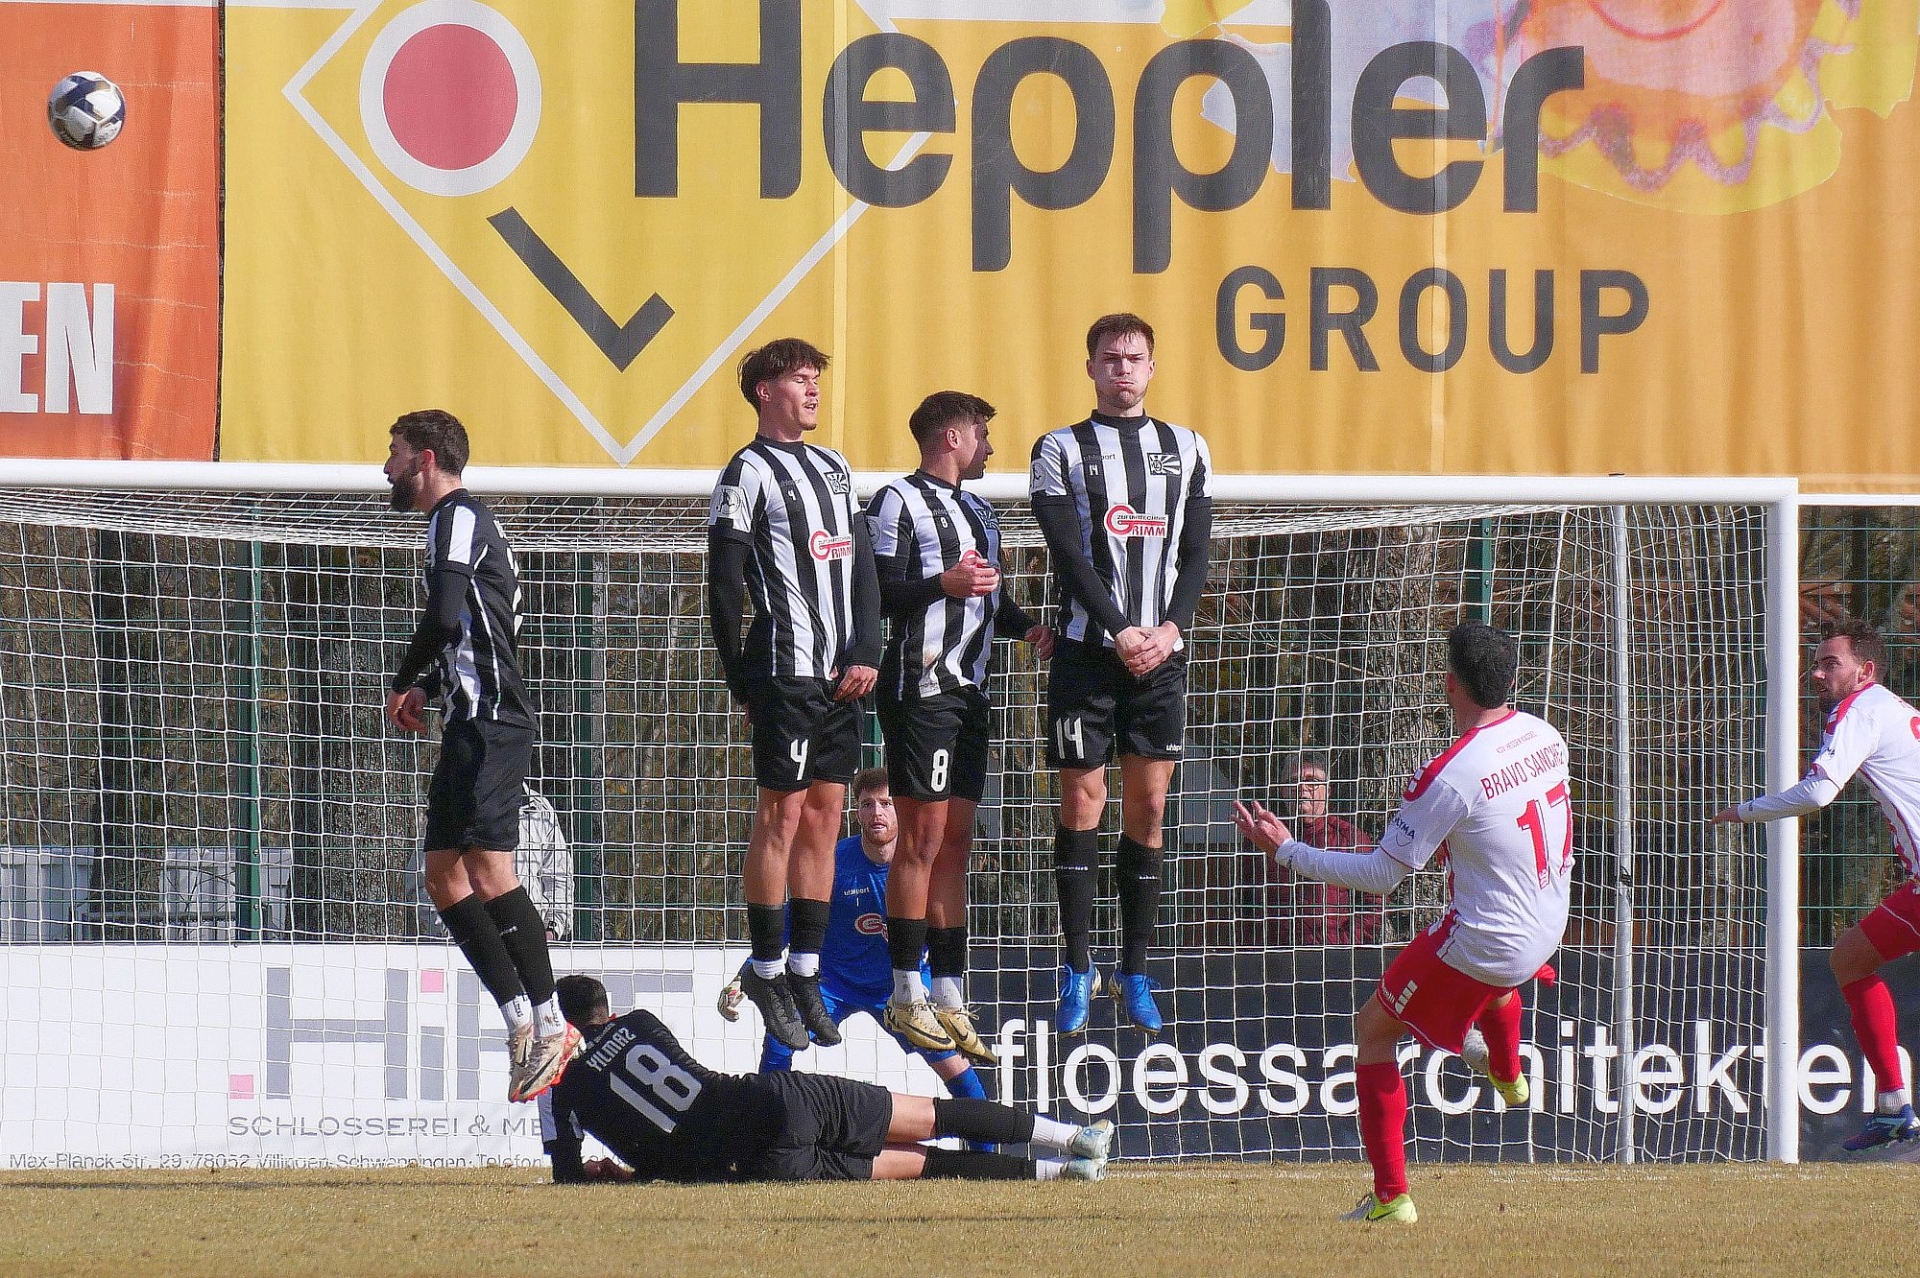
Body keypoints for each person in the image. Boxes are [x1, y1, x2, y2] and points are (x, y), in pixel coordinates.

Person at [1234, 623, 1573, 1225]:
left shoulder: (1452, 774)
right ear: (1512, 679)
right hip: (1550, 923)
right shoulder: (1545, 735)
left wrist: (1288, 851)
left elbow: (1381, 877)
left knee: (1373, 1031)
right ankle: (1506, 1070)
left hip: (1489, 942)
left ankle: (1391, 1198)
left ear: (1449, 684)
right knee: (1493, 981)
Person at [382, 409, 578, 1103]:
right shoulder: (460, 525)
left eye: (395, 452)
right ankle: (519, 1017)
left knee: (491, 869)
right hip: (470, 718)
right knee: (443, 874)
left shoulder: (458, 517)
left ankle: (552, 1021)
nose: (386, 467)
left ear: (426, 459)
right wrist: (432, 687)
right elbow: (479, 631)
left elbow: (444, 618)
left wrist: (403, 679)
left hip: (494, 722)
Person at [1029, 313, 1213, 1034]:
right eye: (1111, 358)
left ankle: (1134, 970)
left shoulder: (1187, 447)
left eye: (1135, 358)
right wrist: (1119, 628)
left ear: (1152, 367)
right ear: (1091, 368)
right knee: (1083, 804)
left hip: (1161, 657)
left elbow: (1196, 550)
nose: (1123, 369)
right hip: (1087, 654)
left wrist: (1170, 630)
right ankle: (1077, 968)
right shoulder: (1059, 449)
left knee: (1150, 809)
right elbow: (1067, 553)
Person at [865, 391, 1052, 1061]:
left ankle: (948, 991)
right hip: (921, 691)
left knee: (956, 843)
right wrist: (941, 585)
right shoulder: (895, 502)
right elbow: (876, 595)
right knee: (921, 840)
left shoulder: (980, 511)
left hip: (972, 694)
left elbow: (989, 600)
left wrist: (1028, 628)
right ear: (950, 437)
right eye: (982, 433)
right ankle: (905, 991)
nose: (990, 447)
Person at [707, 339, 882, 1054]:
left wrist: (868, 649)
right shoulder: (745, 473)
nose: (812, 390)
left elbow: (863, 566)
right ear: (764, 391)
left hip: (843, 674)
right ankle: (767, 969)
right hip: (786, 669)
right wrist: (740, 678)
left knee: (826, 817)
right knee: (779, 816)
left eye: (816, 378)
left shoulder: (835, 466)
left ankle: (807, 969)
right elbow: (723, 586)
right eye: (800, 379)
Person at [540, 976, 1115, 1184]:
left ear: (562, 1026)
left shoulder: (557, 1082)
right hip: (777, 1100)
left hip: (754, 1163)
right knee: (934, 1117)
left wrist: (612, 1174)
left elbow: (568, 1170)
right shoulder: (640, 1022)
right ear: (606, 1010)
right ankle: (1073, 1139)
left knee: (923, 1165)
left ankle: (1062, 1174)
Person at [1712, 617, 1920, 1151]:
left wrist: (1747, 811)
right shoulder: (1892, 709)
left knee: (1851, 959)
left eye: (1831, 663)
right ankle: (1893, 1105)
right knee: (1851, 957)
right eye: (1817, 663)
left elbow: (1818, 793)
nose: (1818, 673)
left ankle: (1895, 1105)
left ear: (1864, 671)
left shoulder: (1858, 709)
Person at [716, 769, 992, 1099]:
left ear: (901, 811)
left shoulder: (923, 867)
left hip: (899, 987)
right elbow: (790, 923)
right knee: (780, 1037)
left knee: (952, 1061)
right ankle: (766, 1122)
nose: (877, 813)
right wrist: (743, 975)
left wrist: (923, 971)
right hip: (832, 982)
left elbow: (944, 932)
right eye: (867, 804)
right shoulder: (834, 862)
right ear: (857, 812)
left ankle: (987, 1131)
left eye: (886, 804)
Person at [1246, 755, 1385, 947]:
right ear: (1282, 790)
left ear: (1328, 789)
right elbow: (1246, 899)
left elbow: (1374, 902)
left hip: (1331, 954)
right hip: (1272, 954)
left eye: (1312, 781)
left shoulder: (1349, 838)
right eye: (1293, 781)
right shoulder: (1266, 837)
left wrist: (1343, 944)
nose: (1301, 788)